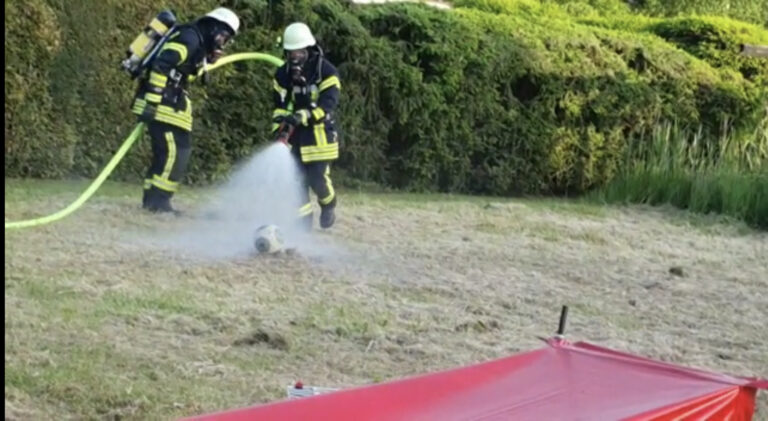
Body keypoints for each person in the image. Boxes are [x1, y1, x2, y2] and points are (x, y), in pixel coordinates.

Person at [131, 8, 240, 213]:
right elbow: (162, 66)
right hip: (163, 104)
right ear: (214, 27)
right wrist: (152, 103)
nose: (223, 42)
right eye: (224, 36)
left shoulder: (195, 40)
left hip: (170, 103)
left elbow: (183, 73)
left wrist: (207, 60)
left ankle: (152, 200)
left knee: (167, 154)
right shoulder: (189, 38)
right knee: (174, 153)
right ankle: (159, 203)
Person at [272, 22, 341, 230]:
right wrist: (280, 125)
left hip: (320, 135)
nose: (294, 57)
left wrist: (305, 114)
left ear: (308, 49)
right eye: (291, 52)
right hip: (296, 135)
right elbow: (280, 104)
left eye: (299, 52)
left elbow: (327, 106)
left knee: (317, 179)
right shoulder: (282, 73)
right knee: (295, 182)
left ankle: (328, 205)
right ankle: (303, 222)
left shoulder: (326, 71)